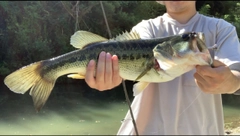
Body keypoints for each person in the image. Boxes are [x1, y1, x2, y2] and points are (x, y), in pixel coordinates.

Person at [84, 1, 240, 135]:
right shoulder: (146, 28)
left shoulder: (221, 29)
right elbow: (129, 62)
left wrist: (232, 82)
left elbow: (237, 73)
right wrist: (106, 77)